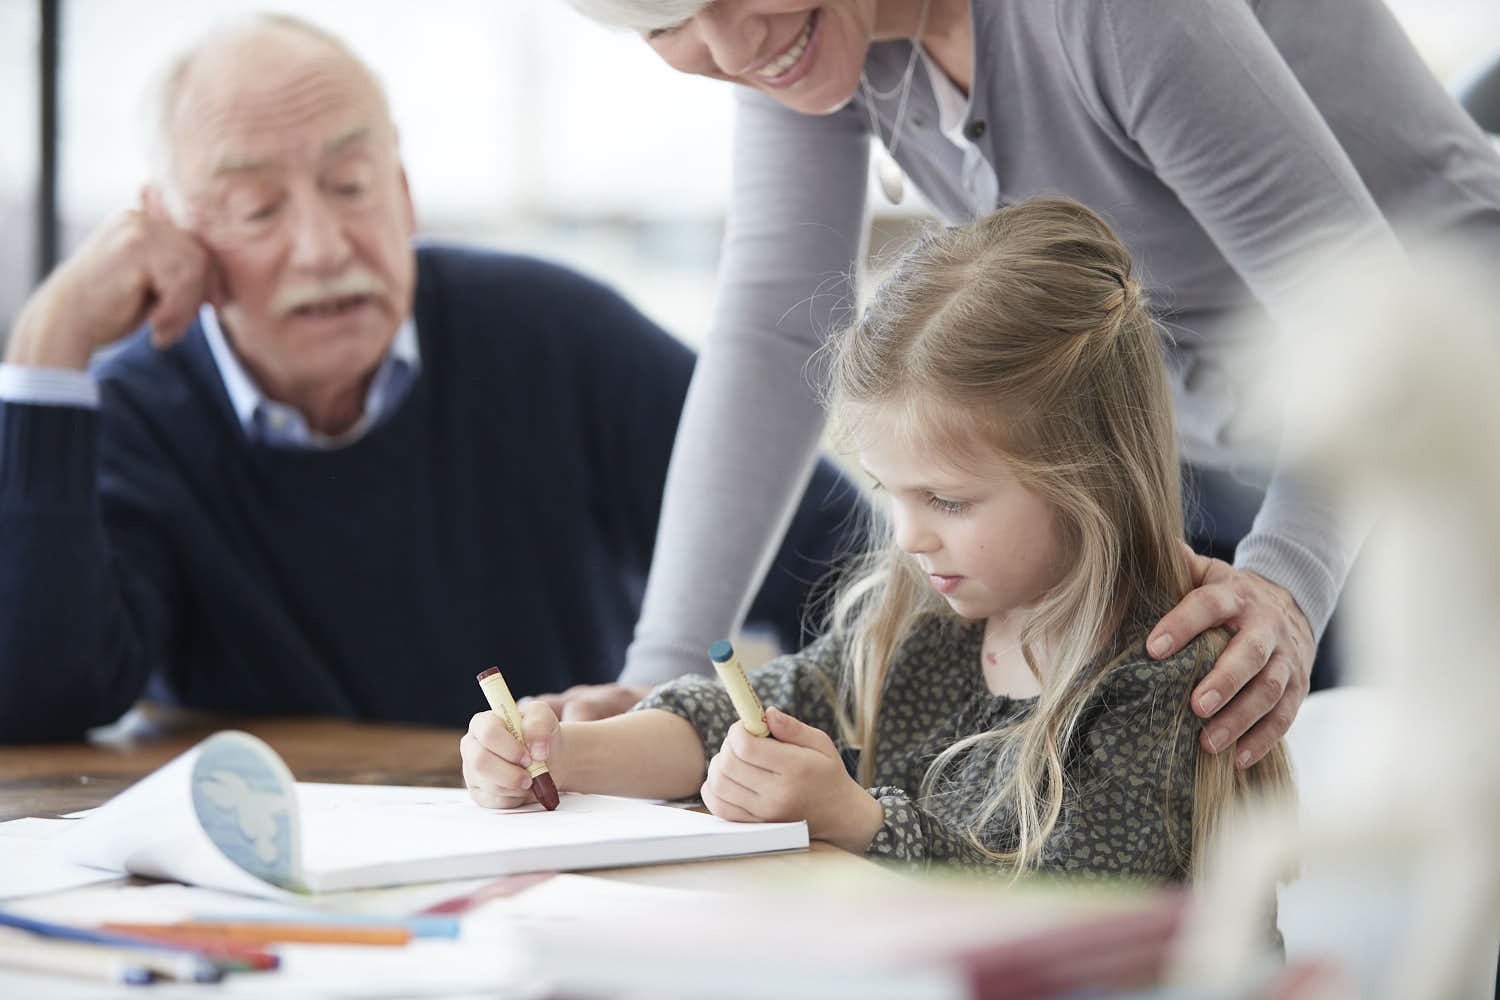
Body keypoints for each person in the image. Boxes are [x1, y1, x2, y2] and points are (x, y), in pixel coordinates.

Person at [553, 0, 1500, 767]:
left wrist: (1286, 584)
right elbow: (777, 322)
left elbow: (1377, 339)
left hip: (1453, 408)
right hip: (1247, 455)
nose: (729, 42)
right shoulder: (803, 34)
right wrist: (661, 677)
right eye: (664, 22)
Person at [0, 14, 862, 744]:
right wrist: (46, 348)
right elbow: (45, 698)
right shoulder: (132, 411)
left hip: (566, 853)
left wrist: (770, 758)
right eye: (258, 209)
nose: (324, 246)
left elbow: (843, 562)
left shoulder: (554, 334)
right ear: (173, 232)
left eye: (351, 186)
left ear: (405, 196)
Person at [463, 198, 1294, 883]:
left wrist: (853, 817)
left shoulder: (1169, 673)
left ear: (1093, 480)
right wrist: (565, 753)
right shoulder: (923, 626)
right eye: (888, 492)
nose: (908, 536)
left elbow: (1069, 903)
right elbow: (734, 720)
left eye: (948, 499)